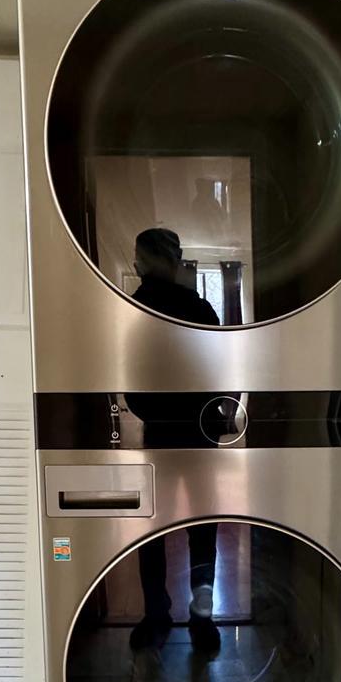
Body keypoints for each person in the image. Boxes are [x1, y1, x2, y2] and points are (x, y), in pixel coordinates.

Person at [125, 227, 222, 655]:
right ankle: (202, 619)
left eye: (139, 258)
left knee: (153, 529)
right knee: (202, 529)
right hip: (199, 433)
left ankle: (157, 615)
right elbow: (221, 373)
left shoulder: (133, 309)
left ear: (147, 261)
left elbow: (129, 380)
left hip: (161, 434)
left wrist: (153, 413)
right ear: (176, 259)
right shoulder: (199, 308)